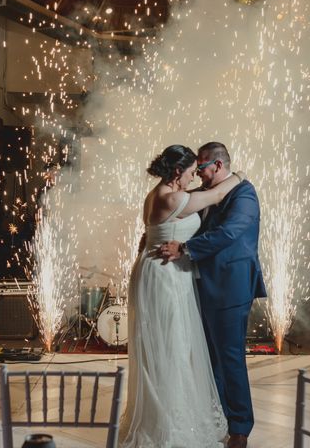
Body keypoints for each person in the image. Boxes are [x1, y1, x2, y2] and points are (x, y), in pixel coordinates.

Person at [119, 144, 245, 448]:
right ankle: (168, 425)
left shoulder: (156, 194)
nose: (194, 178)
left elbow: (151, 234)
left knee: (173, 345)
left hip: (161, 271)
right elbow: (215, 195)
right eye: (191, 173)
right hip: (165, 276)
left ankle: (170, 414)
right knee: (171, 346)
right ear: (177, 172)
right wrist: (238, 176)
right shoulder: (173, 197)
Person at [159, 142, 267, 448]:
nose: (198, 176)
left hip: (231, 287)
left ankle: (240, 428)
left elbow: (229, 232)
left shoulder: (244, 193)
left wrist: (185, 248)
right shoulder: (205, 193)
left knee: (230, 358)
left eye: (202, 169)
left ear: (217, 166)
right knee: (208, 358)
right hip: (201, 284)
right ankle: (216, 418)